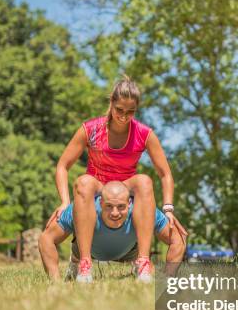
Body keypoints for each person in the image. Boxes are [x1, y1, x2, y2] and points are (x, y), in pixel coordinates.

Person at [46, 75, 187, 283]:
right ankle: (84, 264)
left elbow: (165, 173)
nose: (124, 116)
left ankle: (144, 263)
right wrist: (65, 201)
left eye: (130, 112)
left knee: (144, 181)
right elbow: (62, 166)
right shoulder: (91, 129)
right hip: (97, 189)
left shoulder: (144, 134)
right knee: (84, 181)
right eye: (119, 110)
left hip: (124, 190)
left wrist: (168, 209)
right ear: (111, 103)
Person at [39, 181, 186, 282]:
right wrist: (55, 282)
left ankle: (139, 268)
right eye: (109, 206)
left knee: (151, 275)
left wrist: (169, 278)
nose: (115, 213)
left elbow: (177, 240)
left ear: (129, 204)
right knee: (77, 251)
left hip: (130, 251)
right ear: (100, 202)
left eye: (121, 206)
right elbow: (46, 239)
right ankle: (76, 264)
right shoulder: (81, 208)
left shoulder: (144, 210)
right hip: (88, 249)